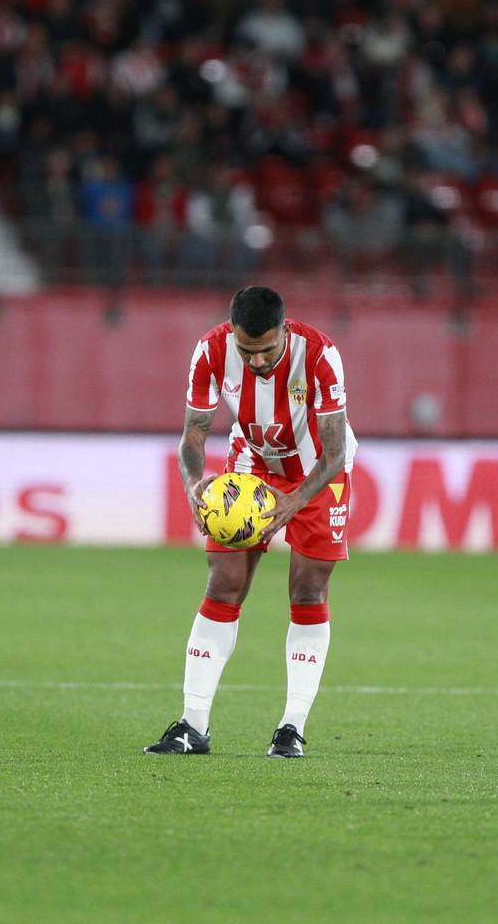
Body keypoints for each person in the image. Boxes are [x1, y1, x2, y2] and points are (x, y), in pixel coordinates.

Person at [145, 286, 357, 758]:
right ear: (233, 335)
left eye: (266, 350)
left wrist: (294, 501)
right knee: (223, 583)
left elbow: (336, 450)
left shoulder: (321, 355)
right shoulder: (211, 351)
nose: (257, 361)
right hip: (251, 465)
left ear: (285, 329)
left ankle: (291, 727)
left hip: (317, 472)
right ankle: (192, 725)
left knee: (307, 591)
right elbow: (193, 436)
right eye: (247, 350)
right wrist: (194, 484)